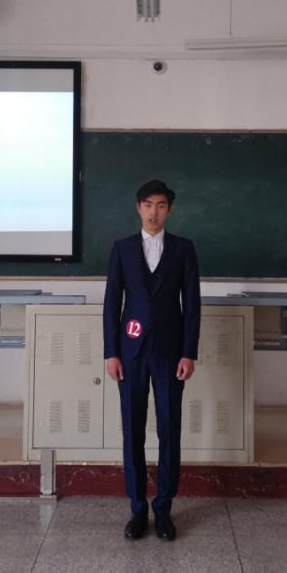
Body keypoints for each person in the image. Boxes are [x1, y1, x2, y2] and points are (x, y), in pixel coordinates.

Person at [103, 179, 201, 541]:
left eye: (160, 205)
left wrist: (189, 352)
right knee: (132, 429)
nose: (153, 212)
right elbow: (112, 303)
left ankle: (163, 509)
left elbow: (192, 304)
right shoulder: (122, 249)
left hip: (170, 353)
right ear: (138, 208)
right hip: (130, 353)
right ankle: (136, 508)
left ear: (169, 210)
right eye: (148, 205)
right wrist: (111, 352)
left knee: (169, 429)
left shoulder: (183, 249)